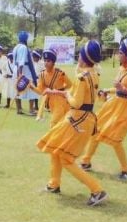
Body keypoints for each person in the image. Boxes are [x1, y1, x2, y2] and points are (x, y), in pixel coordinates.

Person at [34, 40, 108, 206]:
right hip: (82, 118)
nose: (78, 57)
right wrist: (59, 92)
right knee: (55, 148)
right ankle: (54, 184)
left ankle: (97, 190)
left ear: (84, 57)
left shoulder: (82, 77)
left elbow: (75, 102)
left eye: (80, 54)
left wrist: (66, 95)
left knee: (66, 159)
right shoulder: (94, 74)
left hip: (78, 118)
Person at [80, 37, 127, 181]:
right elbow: (118, 89)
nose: (118, 55)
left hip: (126, 110)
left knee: (116, 139)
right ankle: (85, 161)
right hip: (113, 105)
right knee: (95, 130)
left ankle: (126, 170)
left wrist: (124, 89)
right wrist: (107, 91)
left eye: (120, 53)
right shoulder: (122, 68)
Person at [32, 49, 73, 126]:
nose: (46, 63)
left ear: (53, 62)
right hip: (50, 103)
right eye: (45, 60)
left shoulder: (60, 73)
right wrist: (31, 87)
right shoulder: (42, 74)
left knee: (54, 124)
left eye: (48, 61)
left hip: (60, 101)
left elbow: (70, 85)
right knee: (62, 125)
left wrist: (61, 90)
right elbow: (40, 91)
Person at [12, 31, 39, 115]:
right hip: (24, 70)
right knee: (32, 87)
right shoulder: (23, 47)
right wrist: (20, 74)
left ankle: (19, 109)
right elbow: (21, 61)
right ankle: (31, 110)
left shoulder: (16, 47)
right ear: (25, 39)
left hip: (16, 69)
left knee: (18, 88)